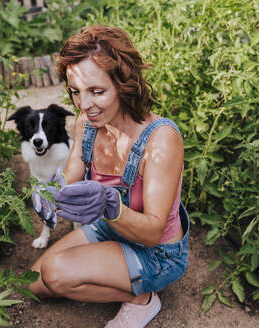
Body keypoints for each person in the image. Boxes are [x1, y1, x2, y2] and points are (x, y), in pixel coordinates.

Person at [28, 25, 189, 328]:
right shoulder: (87, 124)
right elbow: (71, 176)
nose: (84, 105)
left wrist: (110, 205)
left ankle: (142, 299)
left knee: (56, 273)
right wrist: (50, 192)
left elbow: (154, 231)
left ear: (123, 84)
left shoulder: (160, 138)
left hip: (155, 252)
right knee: (34, 283)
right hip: (108, 232)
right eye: (76, 92)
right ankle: (115, 272)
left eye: (97, 91)